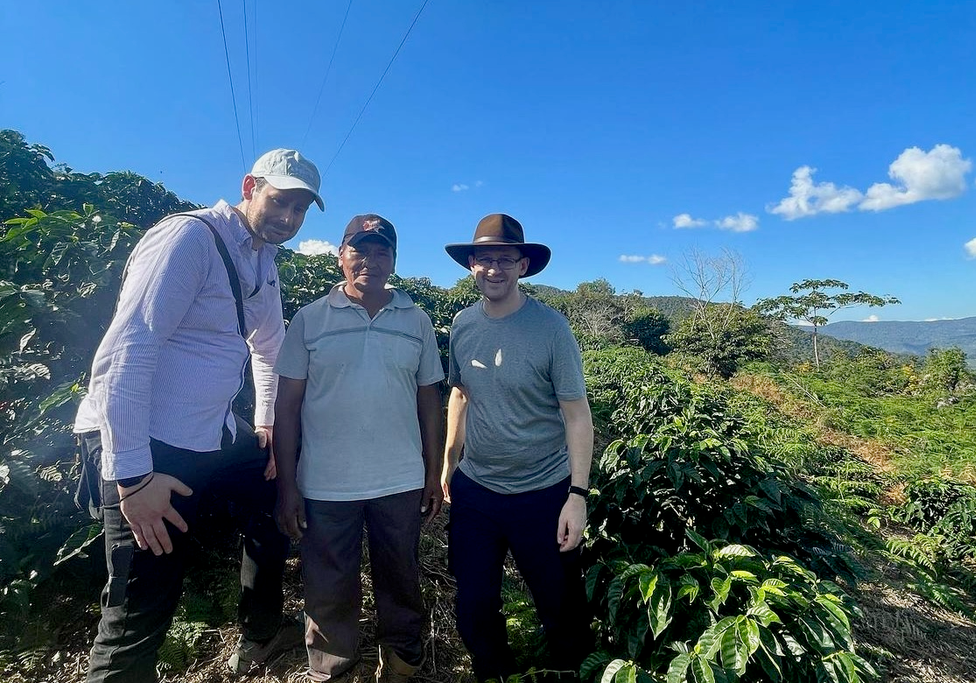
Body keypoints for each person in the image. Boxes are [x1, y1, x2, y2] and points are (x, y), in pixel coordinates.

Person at [74, 148, 325, 682]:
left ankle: (260, 630)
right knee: (140, 607)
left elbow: (269, 347)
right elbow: (127, 349)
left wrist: (264, 423)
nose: (289, 218)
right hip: (145, 440)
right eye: (281, 202)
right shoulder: (189, 238)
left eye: (301, 209)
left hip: (208, 433)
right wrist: (133, 476)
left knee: (270, 486)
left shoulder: (262, 259)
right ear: (250, 186)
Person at [273, 214, 445, 683]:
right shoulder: (310, 319)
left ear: (394, 259)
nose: (371, 260)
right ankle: (332, 667)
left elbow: (430, 398)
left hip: (400, 481)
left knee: (401, 580)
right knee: (327, 586)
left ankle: (403, 662)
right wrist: (288, 487)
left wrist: (433, 473)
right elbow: (286, 408)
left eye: (382, 250)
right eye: (359, 250)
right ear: (341, 256)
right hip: (326, 484)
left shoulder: (417, 320)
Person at [442, 213, 595, 681]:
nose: (494, 269)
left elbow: (577, 414)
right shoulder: (463, 324)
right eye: (484, 259)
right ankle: (495, 672)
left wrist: (577, 496)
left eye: (505, 259)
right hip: (477, 492)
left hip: (544, 492)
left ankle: (572, 671)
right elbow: (461, 394)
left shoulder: (551, 329)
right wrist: (449, 464)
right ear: (471, 265)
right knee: (474, 603)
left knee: (561, 606)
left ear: (523, 265)